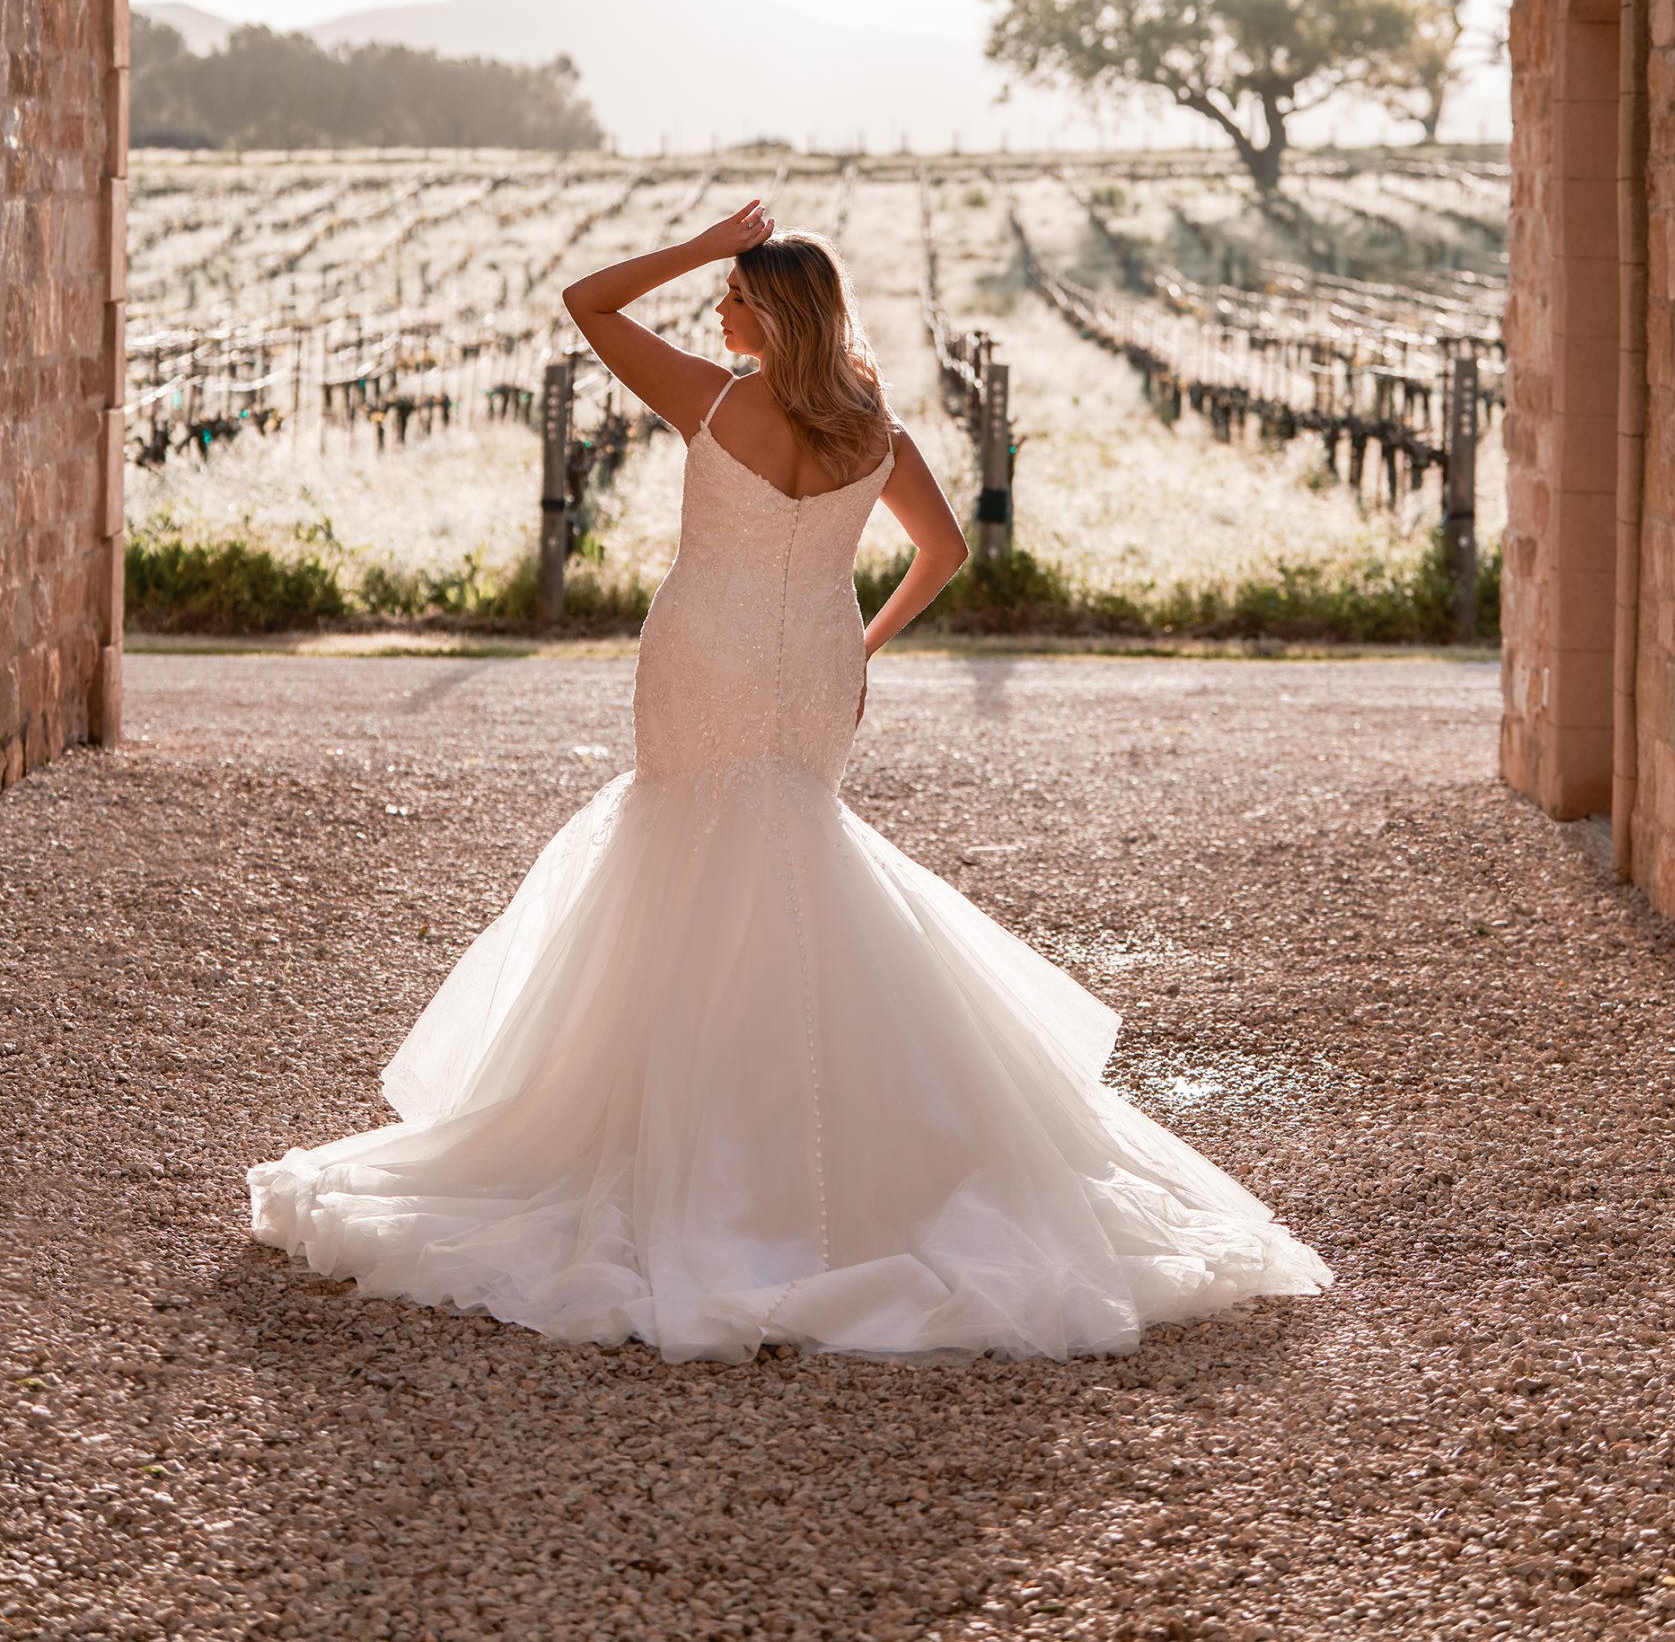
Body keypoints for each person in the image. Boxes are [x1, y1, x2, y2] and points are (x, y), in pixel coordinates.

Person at [248, 199, 1332, 1360]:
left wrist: (707, 239)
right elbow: (945, 551)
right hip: (816, 666)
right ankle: (809, 1134)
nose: (717, 308)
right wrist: (860, 644)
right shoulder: (876, 431)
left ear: (770, 314)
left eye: (730, 296)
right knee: (795, 857)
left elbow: (585, 303)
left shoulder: (713, 401)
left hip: (704, 653)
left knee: (683, 853)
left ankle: (694, 1137)